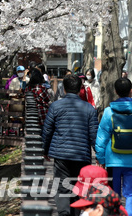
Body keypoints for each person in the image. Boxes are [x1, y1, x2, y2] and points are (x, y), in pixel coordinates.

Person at [42, 74, 99, 216]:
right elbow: (94, 135)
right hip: (82, 155)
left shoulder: (55, 106)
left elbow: (47, 130)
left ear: (64, 89)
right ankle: (76, 212)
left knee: (62, 186)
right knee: (78, 187)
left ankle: (64, 213)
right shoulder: (89, 109)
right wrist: (98, 154)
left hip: (61, 154)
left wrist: (45, 149)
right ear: (80, 89)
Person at [96, 77, 132, 203]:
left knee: (113, 195)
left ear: (116, 91)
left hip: (113, 160)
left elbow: (102, 137)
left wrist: (100, 158)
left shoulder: (108, 112)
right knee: (131, 195)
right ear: (131, 91)